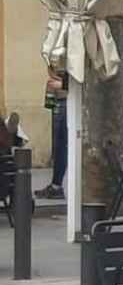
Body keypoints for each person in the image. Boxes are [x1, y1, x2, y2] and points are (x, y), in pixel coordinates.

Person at [37, 67, 67, 199]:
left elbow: (83, 80)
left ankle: (57, 186)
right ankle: (56, 185)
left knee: (64, 146)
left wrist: (63, 84)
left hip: (69, 102)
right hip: (58, 102)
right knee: (60, 147)